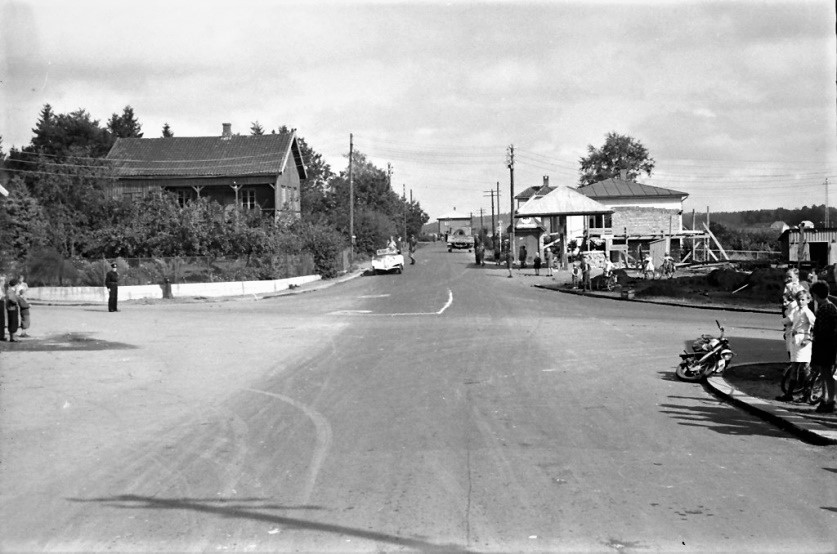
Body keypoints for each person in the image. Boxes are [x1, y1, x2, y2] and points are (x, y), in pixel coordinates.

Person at [776, 289, 815, 402]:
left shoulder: (807, 312)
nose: (800, 302)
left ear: (808, 300)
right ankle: (789, 394)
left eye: (803, 299)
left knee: (805, 367)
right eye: (798, 299)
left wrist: (809, 339)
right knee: (794, 367)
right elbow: (790, 320)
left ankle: (807, 394)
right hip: (795, 340)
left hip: (803, 340)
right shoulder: (797, 311)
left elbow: (816, 325)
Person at [809, 281, 837, 413]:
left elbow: (823, 330)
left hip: (825, 345)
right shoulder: (831, 307)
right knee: (825, 373)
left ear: (815, 294)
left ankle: (829, 400)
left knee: (826, 373)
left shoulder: (824, 309)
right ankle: (826, 399)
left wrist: (815, 337)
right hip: (829, 345)